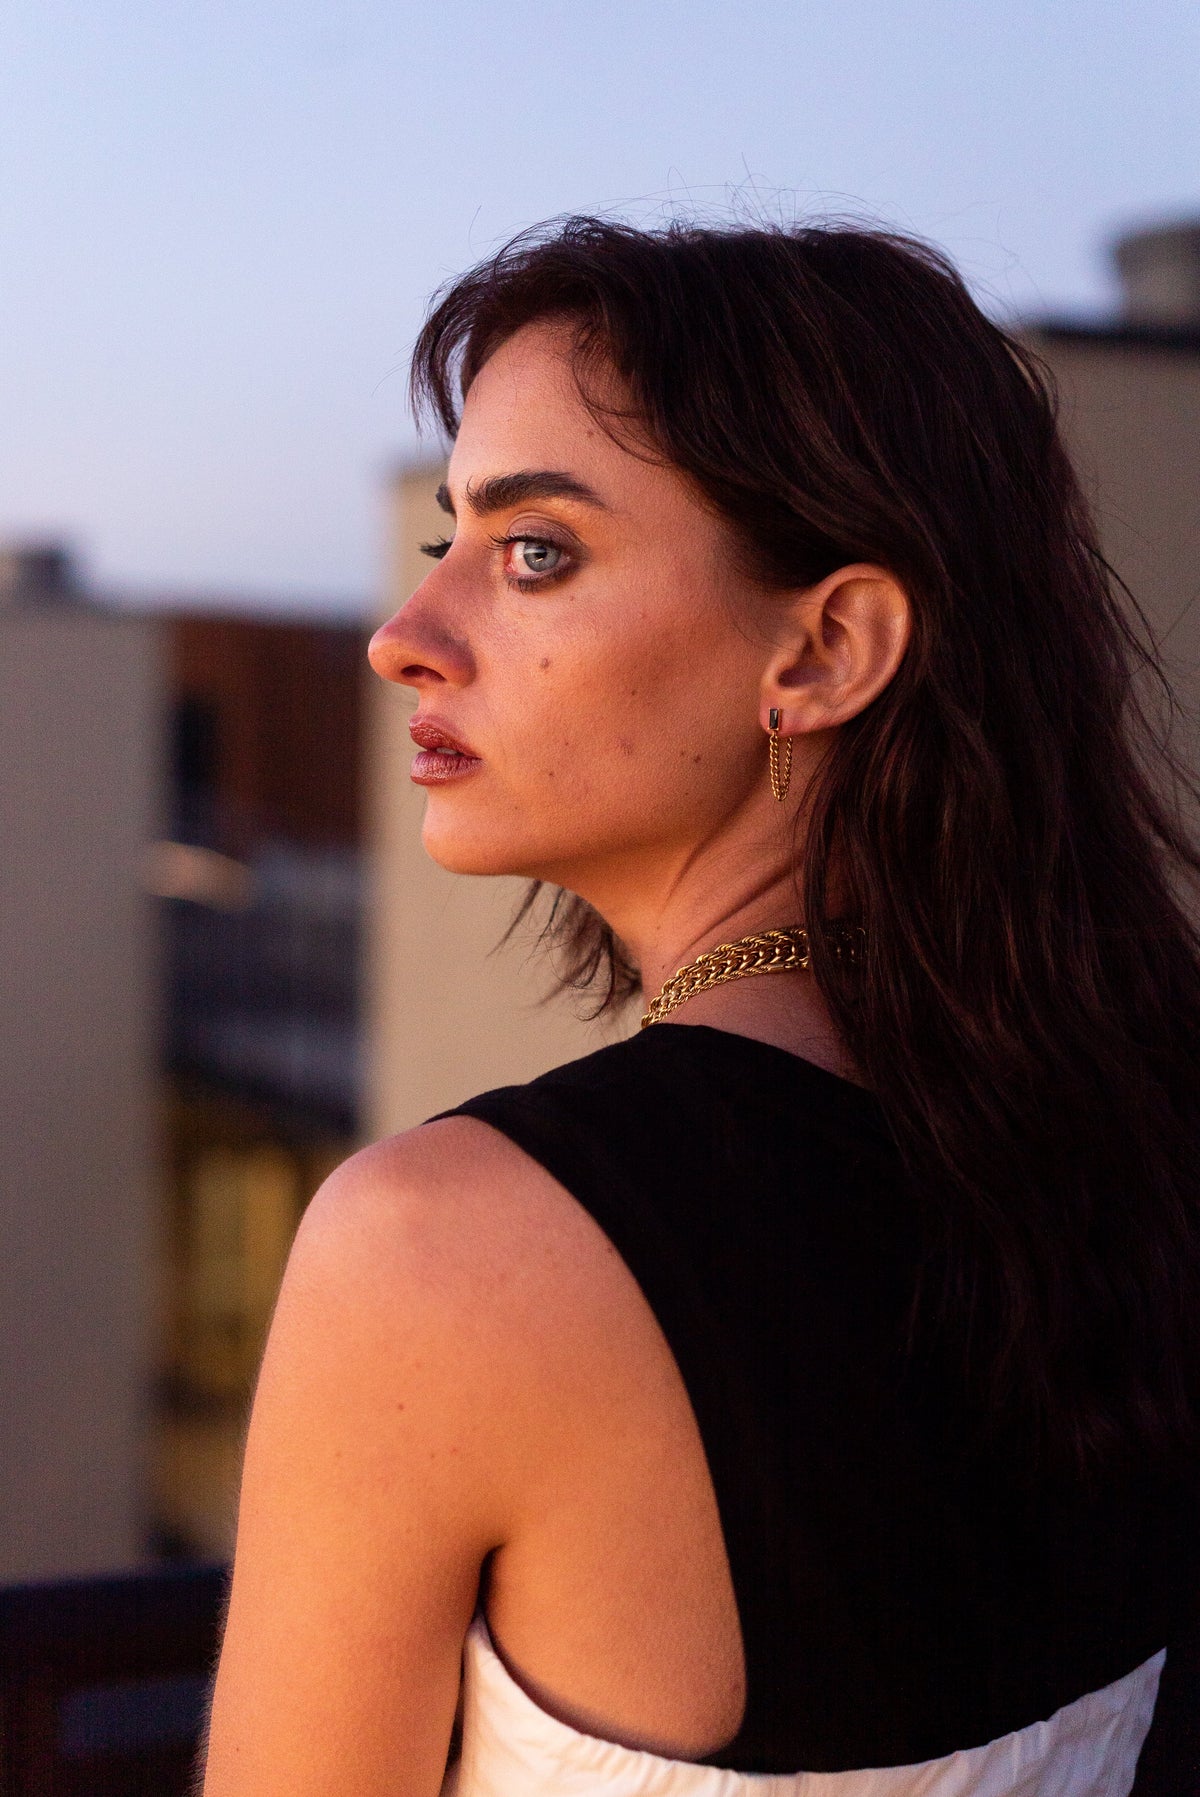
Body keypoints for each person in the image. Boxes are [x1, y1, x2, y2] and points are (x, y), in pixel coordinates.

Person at [200, 218, 1200, 1797]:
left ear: (827, 648)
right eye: (447, 540)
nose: (404, 638)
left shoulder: (445, 1250)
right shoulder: (1142, 1112)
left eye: (535, 553)